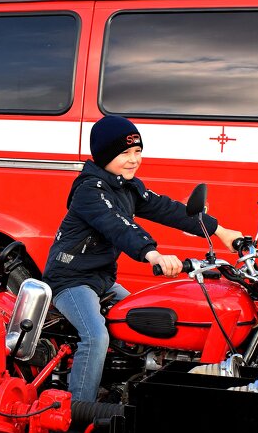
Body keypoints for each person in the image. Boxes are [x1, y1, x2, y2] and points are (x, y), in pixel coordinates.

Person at [43, 115, 243, 403]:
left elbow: (167, 208)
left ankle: (128, 394)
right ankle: (78, 412)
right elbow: (117, 225)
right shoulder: (89, 190)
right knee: (96, 337)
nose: (133, 159)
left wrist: (221, 231)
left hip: (102, 280)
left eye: (137, 151)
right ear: (103, 155)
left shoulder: (127, 186)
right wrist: (152, 253)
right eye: (124, 152)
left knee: (141, 324)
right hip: (71, 279)